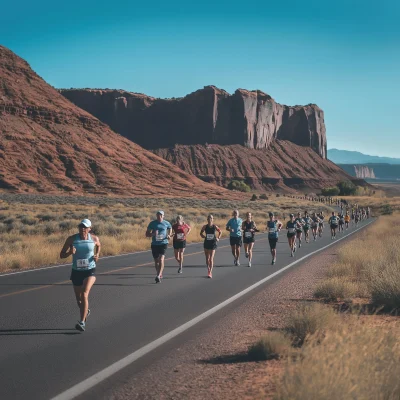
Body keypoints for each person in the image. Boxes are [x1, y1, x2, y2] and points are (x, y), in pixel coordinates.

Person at [60, 219, 101, 332]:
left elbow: (99, 245)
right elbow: (61, 255)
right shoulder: (72, 239)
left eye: (85, 227)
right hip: (76, 271)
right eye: (81, 226)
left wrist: (97, 255)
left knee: (84, 293)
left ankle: (82, 322)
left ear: (89, 229)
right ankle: (85, 310)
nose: (82, 228)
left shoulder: (94, 238)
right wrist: (69, 253)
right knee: (79, 300)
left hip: (90, 270)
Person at [146, 211, 172, 283]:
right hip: (154, 244)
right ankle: (159, 274)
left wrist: (169, 235)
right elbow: (147, 234)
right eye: (157, 215)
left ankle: (158, 275)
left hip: (163, 243)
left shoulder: (166, 223)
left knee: (161, 259)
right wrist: (153, 234)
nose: (159, 217)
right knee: (156, 261)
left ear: (163, 216)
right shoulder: (152, 223)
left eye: (160, 215)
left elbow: (170, 228)